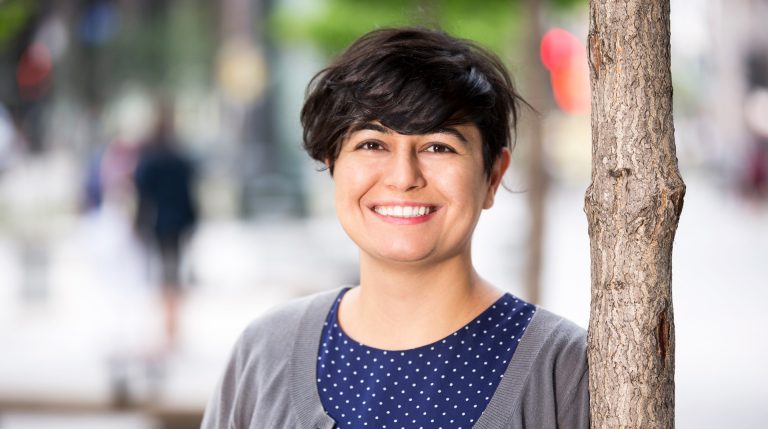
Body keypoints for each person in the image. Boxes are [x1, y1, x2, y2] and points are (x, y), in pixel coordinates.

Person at [202, 27, 588, 428]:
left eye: (439, 147)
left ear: (492, 175)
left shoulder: (564, 371)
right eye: (372, 144)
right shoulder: (266, 353)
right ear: (333, 166)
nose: (403, 177)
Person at [134, 102, 198, 353]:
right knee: (172, 274)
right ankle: (171, 328)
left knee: (165, 276)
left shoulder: (150, 160)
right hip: (178, 223)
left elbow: (143, 194)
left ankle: (169, 328)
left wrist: (139, 223)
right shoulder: (180, 158)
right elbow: (189, 194)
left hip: (159, 223)